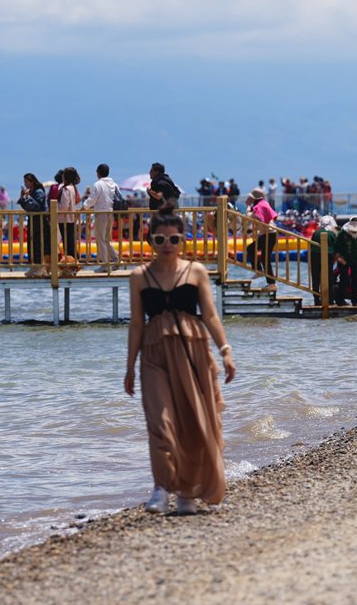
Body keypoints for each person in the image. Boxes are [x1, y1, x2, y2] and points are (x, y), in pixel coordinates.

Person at [126, 204, 236, 515]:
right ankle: (162, 487)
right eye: (159, 240)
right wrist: (129, 367)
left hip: (193, 349)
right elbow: (136, 323)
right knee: (160, 422)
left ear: (182, 240)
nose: (167, 246)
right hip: (154, 351)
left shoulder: (196, 271)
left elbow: (211, 316)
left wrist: (226, 351)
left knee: (193, 423)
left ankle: (188, 491)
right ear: (150, 242)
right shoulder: (139, 277)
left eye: (173, 239)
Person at [83, 164, 121, 270]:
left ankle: (105, 264)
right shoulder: (114, 184)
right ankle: (115, 259)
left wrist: (84, 208)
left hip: (101, 213)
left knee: (100, 239)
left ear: (98, 173)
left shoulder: (98, 184)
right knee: (106, 239)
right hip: (111, 213)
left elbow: (92, 199)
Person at [246, 188, 279, 291]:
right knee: (251, 249)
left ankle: (271, 283)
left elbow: (249, 217)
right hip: (269, 233)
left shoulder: (258, 206)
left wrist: (247, 206)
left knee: (265, 258)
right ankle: (259, 271)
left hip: (268, 234)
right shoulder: (264, 203)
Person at [19, 172, 51, 278]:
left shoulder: (39, 192)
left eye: (27, 182)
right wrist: (23, 197)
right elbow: (27, 207)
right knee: (32, 244)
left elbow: (37, 206)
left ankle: (39, 268)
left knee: (38, 245)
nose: (25, 184)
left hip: (40, 221)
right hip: (33, 221)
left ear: (32, 181)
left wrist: (27, 197)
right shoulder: (32, 191)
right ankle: (34, 266)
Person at [334, 215, 357, 305]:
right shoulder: (342, 233)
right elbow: (336, 246)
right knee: (344, 279)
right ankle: (340, 300)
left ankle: (355, 300)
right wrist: (339, 257)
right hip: (344, 260)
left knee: (356, 280)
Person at [308, 214, 340, 305]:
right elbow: (336, 247)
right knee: (328, 278)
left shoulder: (316, 232)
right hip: (328, 257)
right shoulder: (331, 233)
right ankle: (329, 300)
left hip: (315, 256)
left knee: (316, 278)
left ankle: (316, 300)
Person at [58, 167, 82, 259]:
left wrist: (56, 209)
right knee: (71, 241)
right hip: (71, 218)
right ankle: (75, 260)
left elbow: (64, 206)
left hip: (63, 218)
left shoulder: (65, 189)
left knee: (67, 243)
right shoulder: (72, 188)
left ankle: (71, 261)